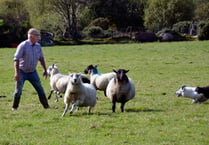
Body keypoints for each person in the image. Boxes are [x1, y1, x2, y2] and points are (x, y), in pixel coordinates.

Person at [12, 28, 50, 110]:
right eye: (37, 36)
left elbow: (41, 58)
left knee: (40, 89)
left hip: (33, 72)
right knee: (18, 91)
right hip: (22, 71)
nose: (38, 38)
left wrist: (44, 69)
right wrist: (17, 73)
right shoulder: (23, 45)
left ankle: (46, 106)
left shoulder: (38, 46)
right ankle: (14, 107)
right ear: (31, 37)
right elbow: (16, 59)